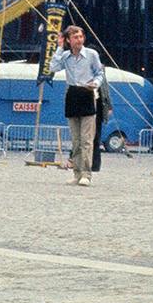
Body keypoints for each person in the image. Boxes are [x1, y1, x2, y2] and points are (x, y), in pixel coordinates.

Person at [51, 25, 104, 186]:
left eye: (81, 37)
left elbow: (100, 72)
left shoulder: (91, 54)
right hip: (72, 94)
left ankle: (86, 174)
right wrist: (59, 48)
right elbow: (53, 67)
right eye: (75, 37)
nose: (79, 40)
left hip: (87, 92)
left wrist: (95, 83)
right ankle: (77, 173)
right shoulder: (66, 56)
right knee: (75, 139)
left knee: (86, 139)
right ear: (68, 40)